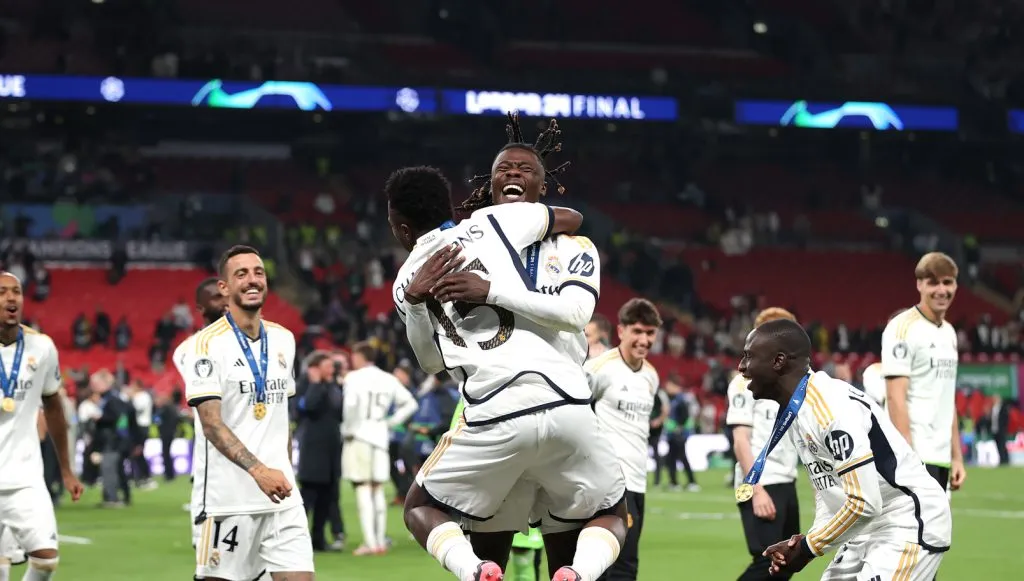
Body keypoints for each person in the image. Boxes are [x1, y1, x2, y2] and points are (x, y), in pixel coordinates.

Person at [387, 163, 627, 581]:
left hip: (492, 411)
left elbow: (430, 362)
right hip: (566, 401)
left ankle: (475, 570)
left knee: (422, 508)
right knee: (609, 514)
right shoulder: (491, 222)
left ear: (402, 230)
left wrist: (416, 301)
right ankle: (578, 575)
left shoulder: (404, 282)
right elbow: (569, 216)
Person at [739, 319, 951, 580]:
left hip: (906, 520)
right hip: (867, 527)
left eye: (749, 357)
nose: (742, 367)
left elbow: (864, 502)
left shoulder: (829, 409)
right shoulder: (797, 409)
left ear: (778, 361)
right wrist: (804, 541)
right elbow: (827, 487)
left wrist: (808, 548)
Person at [184, 246, 314, 581]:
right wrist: (259, 471)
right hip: (227, 502)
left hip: (282, 497)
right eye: (241, 274)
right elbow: (211, 424)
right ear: (224, 288)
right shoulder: (204, 347)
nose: (252, 279)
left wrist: (284, 471)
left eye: (258, 272)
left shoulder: (284, 339)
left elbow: (281, 416)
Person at [0, 271, 83, 581]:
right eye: (2, 292)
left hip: (26, 477)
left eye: (16, 292)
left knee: (46, 561)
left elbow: (54, 408)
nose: (11, 298)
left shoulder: (42, 347)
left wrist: (66, 469)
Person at [585, 299, 661, 581]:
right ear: (621, 331)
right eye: (638, 331)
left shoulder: (651, 376)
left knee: (628, 565)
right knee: (605, 566)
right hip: (607, 482)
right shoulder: (599, 368)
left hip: (637, 481)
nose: (644, 340)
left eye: (650, 333)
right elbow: (577, 416)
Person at [725, 307, 801, 581]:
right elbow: (740, 440)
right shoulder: (744, 383)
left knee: (787, 564)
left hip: (786, 480)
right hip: (759, 482)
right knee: (766, 563)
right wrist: (756, 490)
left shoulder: (790, 384)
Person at [881, 252, 965, 493]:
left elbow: (947, 399)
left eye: (947, 282)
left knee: (937, 532)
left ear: (956, 285)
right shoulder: (902, 328)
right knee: (914, 531)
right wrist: (907, 456)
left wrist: (957, 456)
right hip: (915, 457)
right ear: (919, 285)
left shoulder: (949, 332)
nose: (941, 290)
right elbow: (896, 396)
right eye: (933, 282)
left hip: (941, 457)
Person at [340, 341, 419, 556]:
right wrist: (391, 422)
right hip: (380, 436)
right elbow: (411, 403)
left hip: (359, 435)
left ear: (359, 357)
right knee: (377, 489)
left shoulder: (353, 378)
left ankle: (370, 542)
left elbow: (350, 406)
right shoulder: (388, 378)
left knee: (363, 488)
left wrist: (347, 429)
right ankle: (380, 541)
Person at [172, 276, 228, 551]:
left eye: (225, 294)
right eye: (216, 298)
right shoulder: (190, 351)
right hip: (216, 472)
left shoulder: (263, 343)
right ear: (201, 308)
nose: (225, 301)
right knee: (214, 564)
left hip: (259, 472)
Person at [294, 351, 345, 553]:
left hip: (331, 449)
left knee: (327, 498)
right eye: (327, 366)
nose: (332, 369)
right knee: (307, 498)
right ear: (315, 368)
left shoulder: (333, 386)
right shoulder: (305, 385)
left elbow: (340, 413)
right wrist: (315, 384)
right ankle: (296, 540)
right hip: (312, 449)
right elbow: (307, 408)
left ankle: (318, 541)